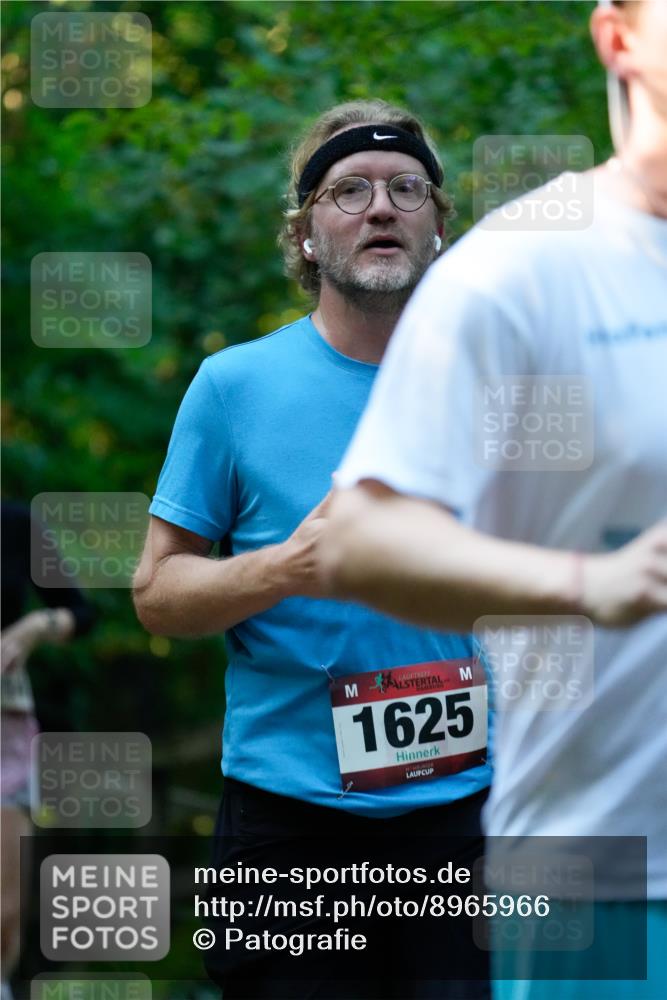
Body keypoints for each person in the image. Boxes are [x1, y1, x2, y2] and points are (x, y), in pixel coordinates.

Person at [322, 3, 666, 999]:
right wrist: (586, 581)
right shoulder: (522, 268)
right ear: (620, 40)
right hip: (607, 886)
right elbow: (362, 539)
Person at [134, 100, 492, 999]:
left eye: (407, 188)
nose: (381, 207)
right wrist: (285, 568)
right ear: (304, 236)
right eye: (349, 191)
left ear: (438, 225)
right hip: (290, 829)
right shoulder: (233, 387)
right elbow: (156, 595)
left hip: (466, 822)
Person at [1, 500, 96, 999]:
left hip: (5, 726)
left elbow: (83, 612)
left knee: (5, 915)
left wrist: (37, 626)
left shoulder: (15, 525)